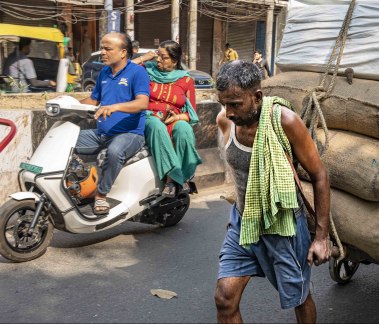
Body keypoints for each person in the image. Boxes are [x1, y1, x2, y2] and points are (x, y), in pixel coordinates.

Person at [214, 60, 331, 323]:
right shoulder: (225, 121)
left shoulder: (285, 121)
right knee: (224, 298)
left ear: (256, 97)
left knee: (299, 298)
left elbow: (320, 175)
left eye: (235, 104)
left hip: (283, 225)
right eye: (224, 103)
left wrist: (321, 237)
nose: (229, 111)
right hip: (244, 223)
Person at [75, 32, 151, 216]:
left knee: (115, 151)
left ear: (123, 52)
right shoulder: (104, 72)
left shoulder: (137, 72)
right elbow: (94, 100)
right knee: (66, 141)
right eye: (102, 48)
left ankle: (101, 194)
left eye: (107, 49)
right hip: (101, 134)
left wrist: (115, 107)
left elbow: (142, 103)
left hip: (130, 134)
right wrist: (67, 104)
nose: (102, 52)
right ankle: (76, 186)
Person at [136, 40, 202, 197]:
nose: (158, 60)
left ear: (174, 60)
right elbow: (125, 69)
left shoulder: (186, 80)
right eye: (158, 55)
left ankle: (179, 177)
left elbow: (191, 114)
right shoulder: (147, 70)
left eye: (163, 57)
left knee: (184, 129)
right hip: (149, 117)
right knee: (157, 127)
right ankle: (174, 179)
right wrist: (144, 58)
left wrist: (177, 117)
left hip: (173, 119)